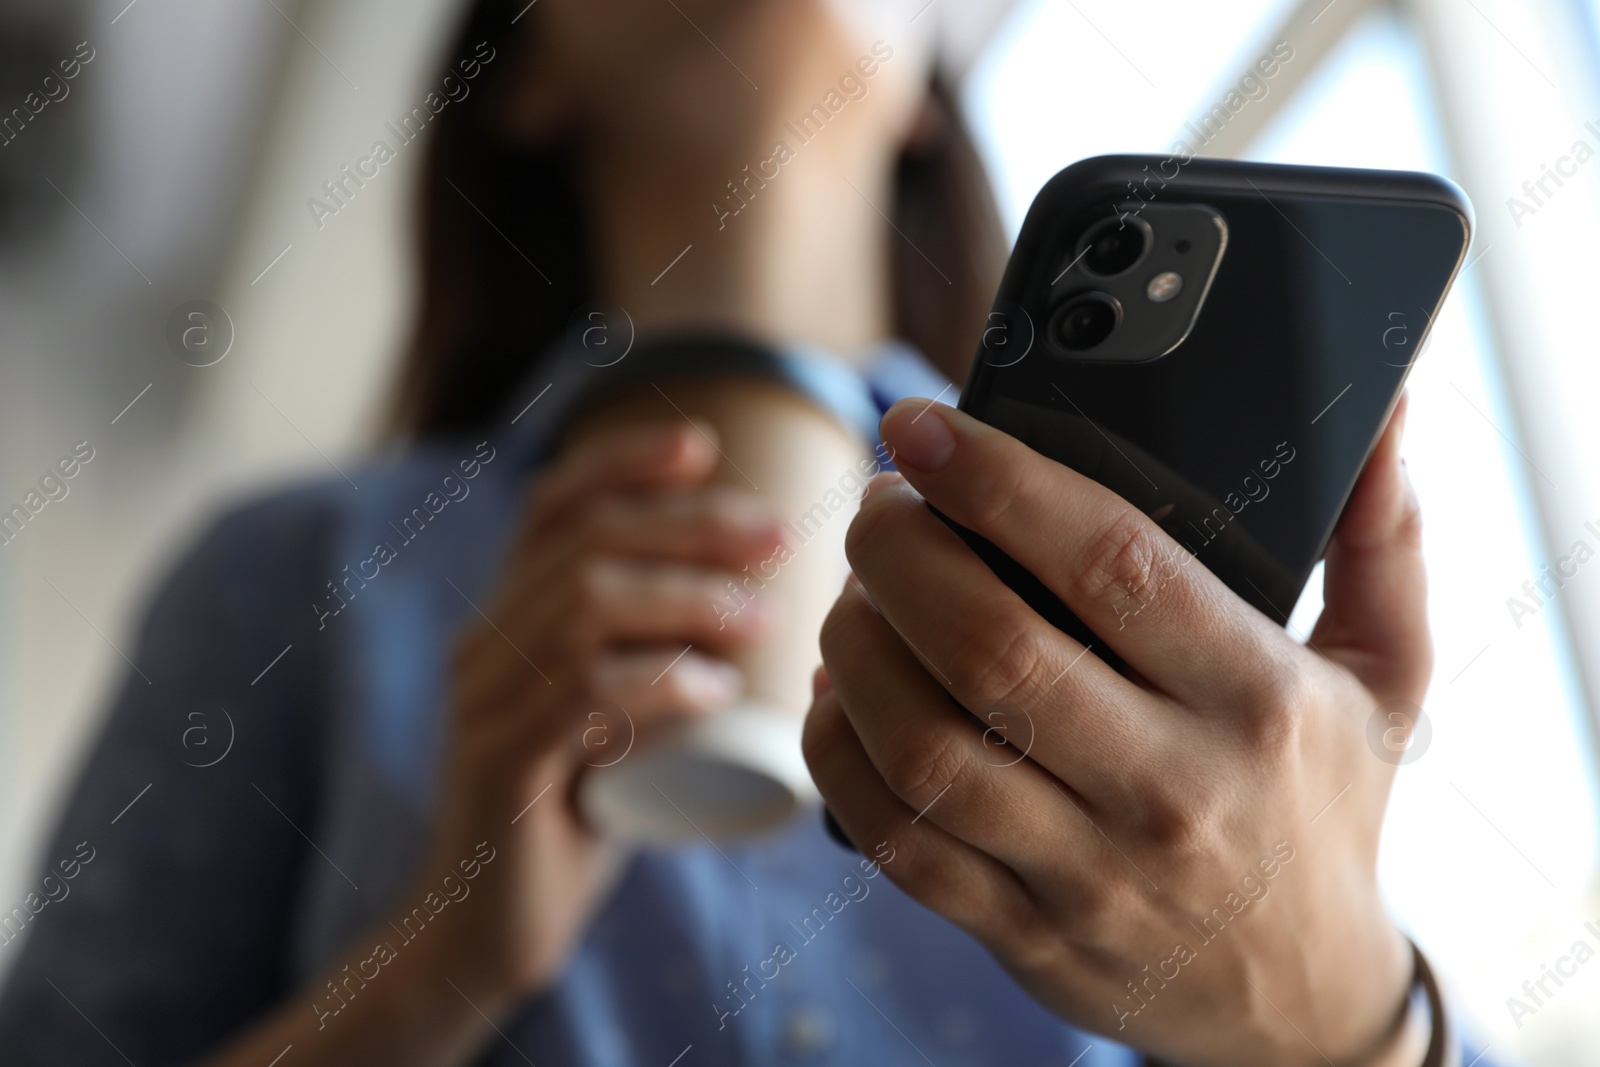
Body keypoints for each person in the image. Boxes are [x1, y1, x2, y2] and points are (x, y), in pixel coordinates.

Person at [0, 1, 1491, 1064]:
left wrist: (1345, 1026)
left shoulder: (1147, 570)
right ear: (521, 78)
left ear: (922, 83)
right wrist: (435, 973)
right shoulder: (287, 575)